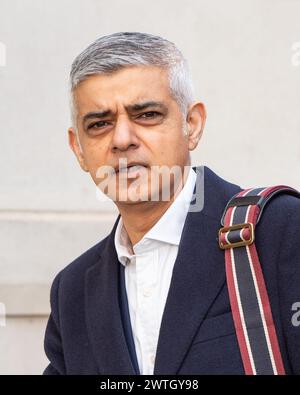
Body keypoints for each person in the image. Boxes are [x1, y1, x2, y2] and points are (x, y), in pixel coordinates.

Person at [43, 32, 300, 375]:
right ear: (78, 149)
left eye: (146, 115)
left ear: (191, 126)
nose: (121, 139)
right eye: (100, 124)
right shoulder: (72, 292)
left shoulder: (281, 231)